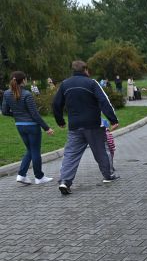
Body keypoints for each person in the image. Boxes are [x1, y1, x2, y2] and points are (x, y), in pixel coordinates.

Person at [53, 61, 119, 195]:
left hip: (74, 126)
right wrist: (113, 119)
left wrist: (60, 121)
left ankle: (65, 181)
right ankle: (108, 175)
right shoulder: (92, 83)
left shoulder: (65, 84)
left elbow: (56, 104)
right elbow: (104, 101)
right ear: (85, 70)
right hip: (93, 125)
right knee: (101, 151)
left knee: (71, 154)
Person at [2, 71, 55, 184]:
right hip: (32, 126)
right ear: (23, 80)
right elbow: (34, 114)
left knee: (30, 150)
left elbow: (5, 111)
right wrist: (47, 128)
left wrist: (17, 115)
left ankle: (21, 175)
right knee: (35, 151)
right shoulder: (27, 94)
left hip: (19, 126)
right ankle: (39, 177)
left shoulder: (6, 93)